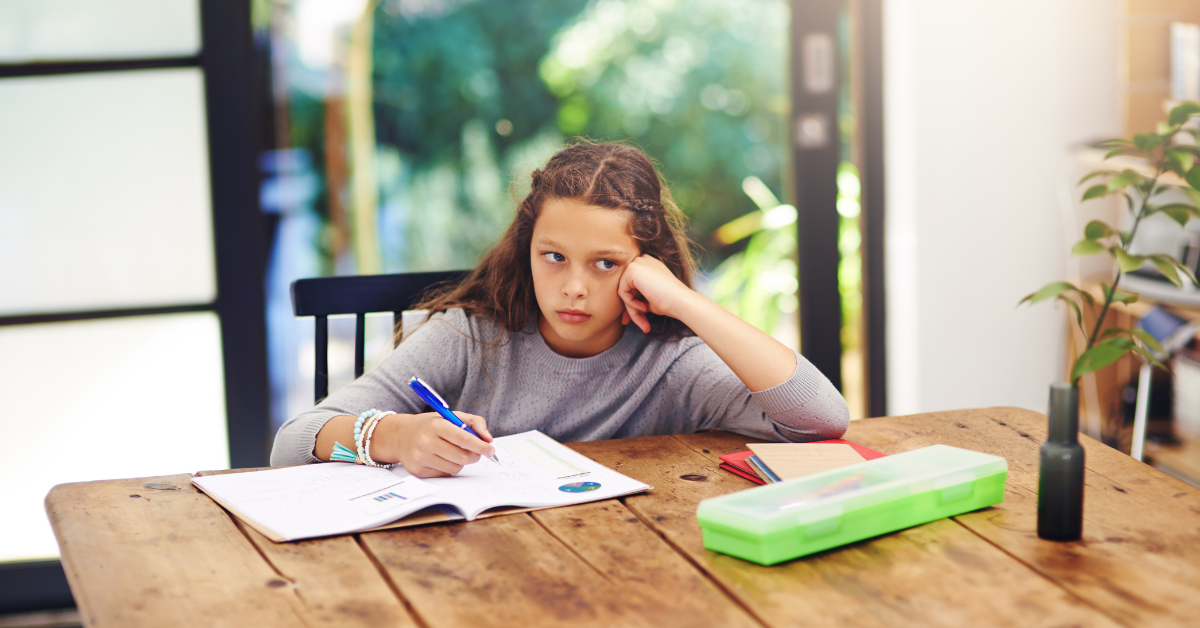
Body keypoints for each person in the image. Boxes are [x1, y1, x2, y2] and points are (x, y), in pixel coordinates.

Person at [271, 142, 849, 475]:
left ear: (647, 266)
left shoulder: (670, 364)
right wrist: (395, 435)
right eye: (553, 257)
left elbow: (821, 420)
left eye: (605, 263)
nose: (573, 287)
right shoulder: (470, 338)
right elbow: (292, 443)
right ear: (526, 250)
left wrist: (683, 301)